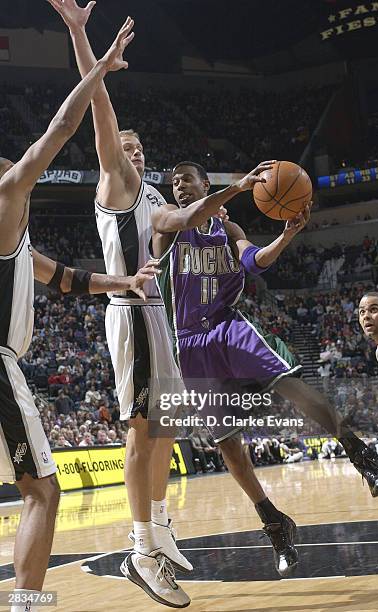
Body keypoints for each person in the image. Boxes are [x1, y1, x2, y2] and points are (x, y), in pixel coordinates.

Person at [151, 161, 378, 574]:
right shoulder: (168, 228)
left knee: (290, 384)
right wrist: (235, 190)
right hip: (190, 344)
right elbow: (187, 217)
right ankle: (274, 520)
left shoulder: (228, 231)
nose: (178, 187)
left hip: (228, 325)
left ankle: (361, 456)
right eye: (173, 182)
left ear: (204, 185)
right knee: (227, 442)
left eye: (186, 180)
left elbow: (253, 262)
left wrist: (285, 235)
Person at [0, 18, 148, 612]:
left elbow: (62, 276)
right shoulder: (7, 197)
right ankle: (25, 607)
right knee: (43, 491)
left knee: (33, 489)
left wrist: (126, 282)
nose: (17, 174)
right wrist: (97, 65)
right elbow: (60, 131)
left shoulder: (17, 237)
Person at [49, 2, 191, 607]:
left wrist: (228, 196)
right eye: (123, 147)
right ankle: (141, 549)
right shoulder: (113, 180)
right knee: (140, 429)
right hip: (129, 310)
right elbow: (100, 114)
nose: (129, 153)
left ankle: (159, 526)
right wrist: (87, 44)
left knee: (165, 426)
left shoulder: (151, 192)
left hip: (156, 311)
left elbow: (179, 217)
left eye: (137, 150)